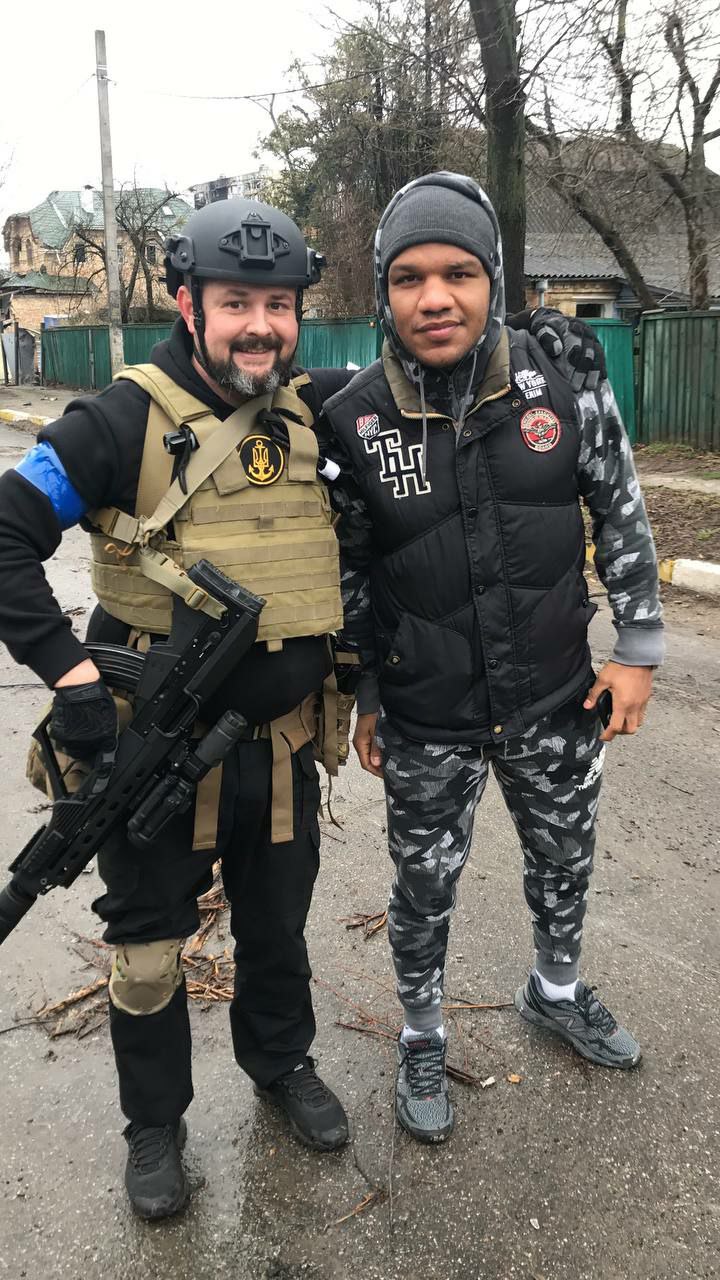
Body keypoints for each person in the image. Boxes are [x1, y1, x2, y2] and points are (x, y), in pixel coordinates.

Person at [0, 198, 357, 1219]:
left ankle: (281, 1065)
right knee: (150, 953)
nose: (260, 326)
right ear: (188, 304)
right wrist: (71, 678)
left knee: (278, 930)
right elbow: (7, 530)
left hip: (281, 750)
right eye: (236, 302)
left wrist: (529, 349)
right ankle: (154, 1124)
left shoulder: (314, 409)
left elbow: (425, 382)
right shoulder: (119, 421)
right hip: (152, 757)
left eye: (279, 306)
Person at [321, 172, 663, 1144]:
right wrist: (368, 692)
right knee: (422, 886)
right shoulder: (354, 419)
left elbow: (620, 505)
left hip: (557, 696)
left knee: (564, 857)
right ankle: (422, 1032)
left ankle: (554, 989)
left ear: (493, 279)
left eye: (458, 273)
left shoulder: (562, 376)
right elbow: (351, 574)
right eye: (409, 278)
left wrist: (637, 646)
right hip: (427, 716)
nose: (435, 298)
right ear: (384, 293)